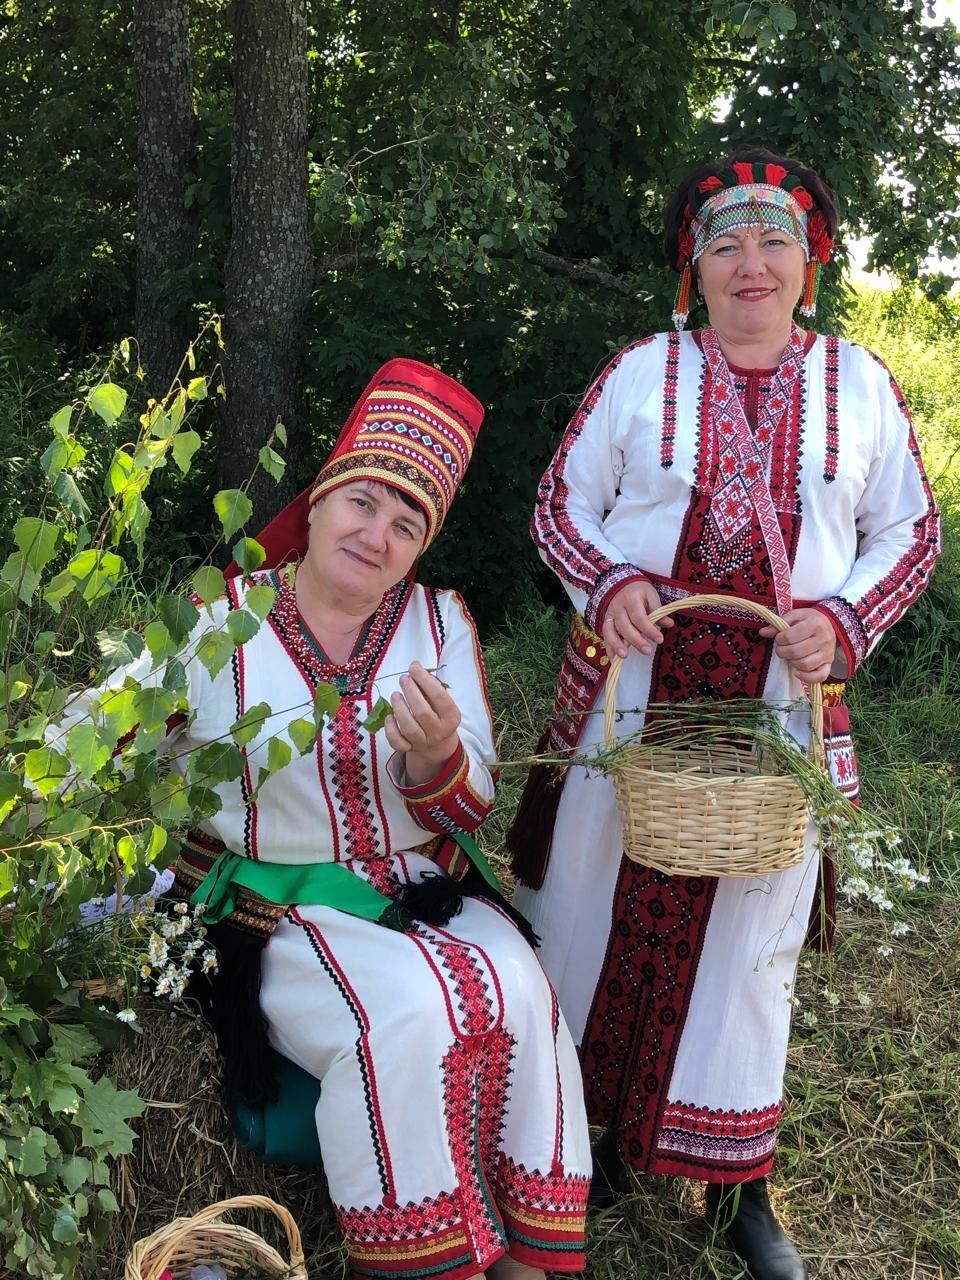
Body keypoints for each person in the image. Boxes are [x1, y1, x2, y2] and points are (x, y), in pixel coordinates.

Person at [508, 149, 941, 1280]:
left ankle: (738, 1182)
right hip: (629, 695)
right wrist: (609, 581)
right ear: (692, 272)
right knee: (589, 907)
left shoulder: (861, 384)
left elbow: (914, 530)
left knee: (752, 946)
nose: (752, 263)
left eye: (774, 241)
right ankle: (583, 1142)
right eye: (726, 244)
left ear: (810, 266)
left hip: (778, 712)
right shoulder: (639, 372)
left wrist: (844, 619)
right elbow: (559, 504)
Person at [59, 359, 591, 1280]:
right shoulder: (217, 624)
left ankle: (522, 1256)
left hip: (420, 889)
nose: (376, 535)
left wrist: (435, 758)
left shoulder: (439, 624)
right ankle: (433, 1262)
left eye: (406, 524)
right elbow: (89, 738)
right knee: (408, 1011)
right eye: (363, 503)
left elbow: (471, 802)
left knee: (517, 985)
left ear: (420, 548)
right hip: (276, 905)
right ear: (318, 502)